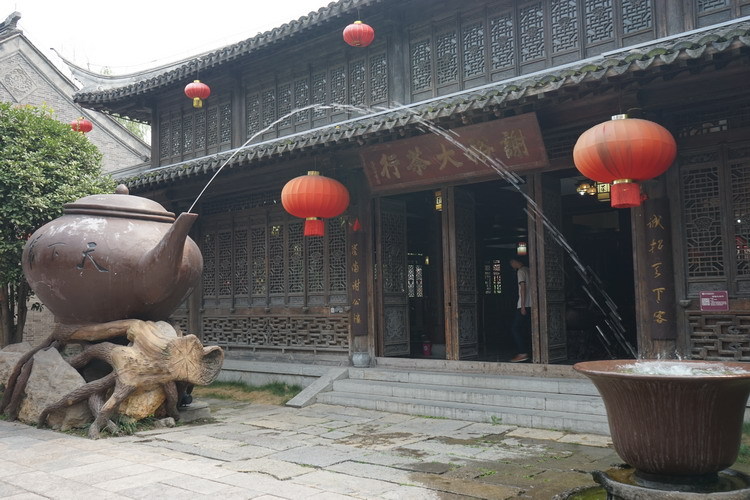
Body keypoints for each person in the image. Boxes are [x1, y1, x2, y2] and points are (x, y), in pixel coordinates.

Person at [509, 258, 532, 362]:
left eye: (511, 263)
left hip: (524, 305)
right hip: (532, 304)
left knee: (515, 328)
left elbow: (523, 288)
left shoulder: (521, 271)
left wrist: (522, 305)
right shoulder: (529, 270)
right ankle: (531, 352)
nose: (512, 266)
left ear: (515, 262)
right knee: (527, 329)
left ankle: (523, 353)